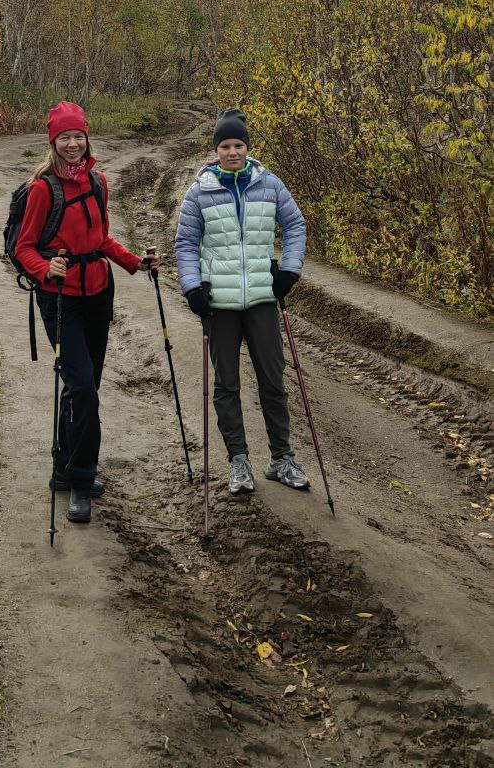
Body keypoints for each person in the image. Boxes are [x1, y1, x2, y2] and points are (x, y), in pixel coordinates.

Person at [16, 100, 159, 524]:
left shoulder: (98, 182)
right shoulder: (43, 189)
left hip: (98, 292)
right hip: (59, 298)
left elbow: (102, 238)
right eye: (65, 137)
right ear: (53, 142)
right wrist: (47, 268)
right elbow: (24, 247)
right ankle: (81, 479)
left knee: (85, 386)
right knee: (82, 390)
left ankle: (64, 467)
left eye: (79, 135)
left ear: (86, 137)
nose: (74, 143)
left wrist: (135, 262)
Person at [174, 107, 309, 496]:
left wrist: (290, 270)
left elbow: (295, 225)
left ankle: (281, 457)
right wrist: (192, 287)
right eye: (225, 145)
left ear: (248, 147)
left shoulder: (270, 185)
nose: (232, 152)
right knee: (227, 384)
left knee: (273, 379)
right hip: (220, 303)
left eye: (238, 144)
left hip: (264, 299)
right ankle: (238, 461)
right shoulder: (201, 190)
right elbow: (185, 243)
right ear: (215, 149)